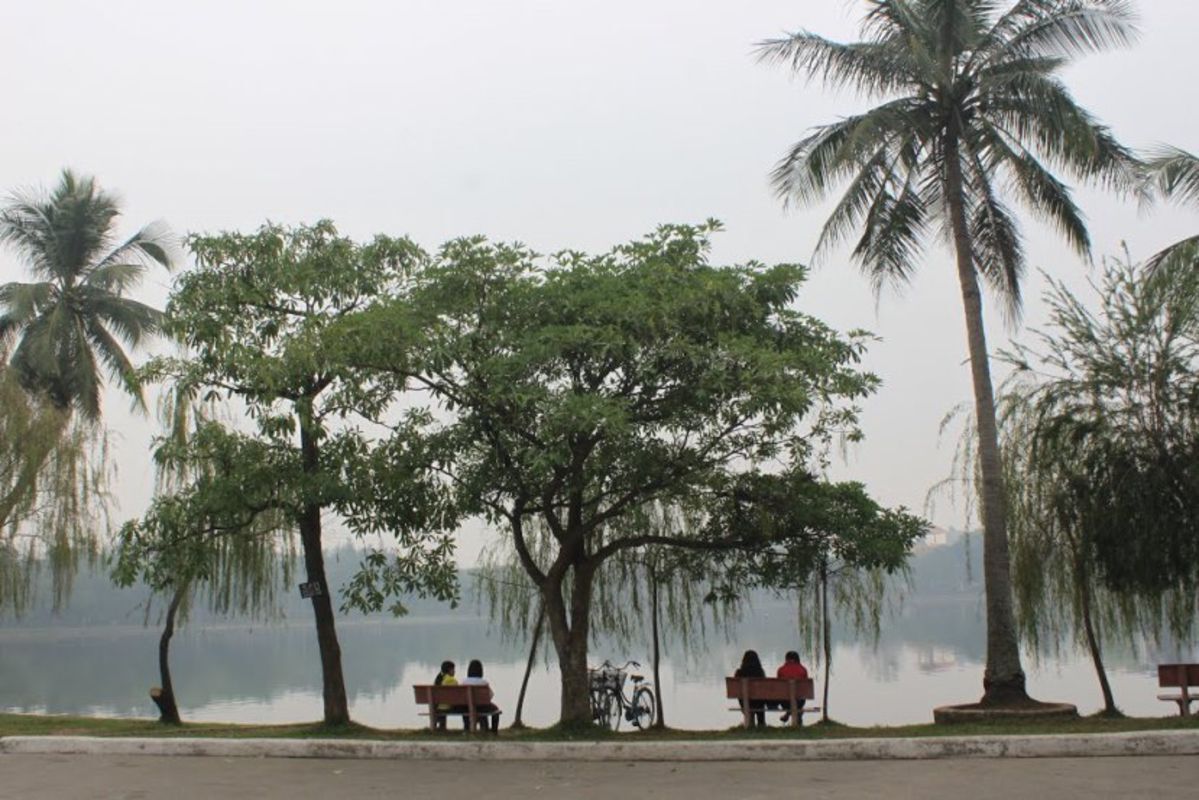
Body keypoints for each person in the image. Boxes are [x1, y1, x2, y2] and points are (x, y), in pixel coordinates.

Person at [458, 658, 502, 733]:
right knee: (496, 710)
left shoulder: (464, 682)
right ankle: (494, 731)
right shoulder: (483, 682)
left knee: (466, 707)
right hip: (481, 707)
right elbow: (490, 696)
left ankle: (467, 727)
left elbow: (460, 696)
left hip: (466, 707)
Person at [733, 649, 766, 727]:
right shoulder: (760, 672)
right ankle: (761, 724)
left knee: (744, 697)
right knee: (760, 699)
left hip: (744, 701)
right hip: (759, 702)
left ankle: (750, 723)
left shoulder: (739, 673)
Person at [776, 650, 809, 723]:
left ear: (786, 659)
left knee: (788, 699)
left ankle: (788, 714)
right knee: (797, 703)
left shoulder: (781, 670)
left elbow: (778, 687)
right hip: (800, 701)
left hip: (784, 702)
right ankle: (797, 714)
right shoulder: (803, 670)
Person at [433, 660, 457, 730]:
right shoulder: (451, 680)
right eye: (453, 669)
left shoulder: (438, 679)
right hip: (448, 707)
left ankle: (441, 727)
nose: (454, 671)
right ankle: (467, 727)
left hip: (437, 707)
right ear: (449, 670)